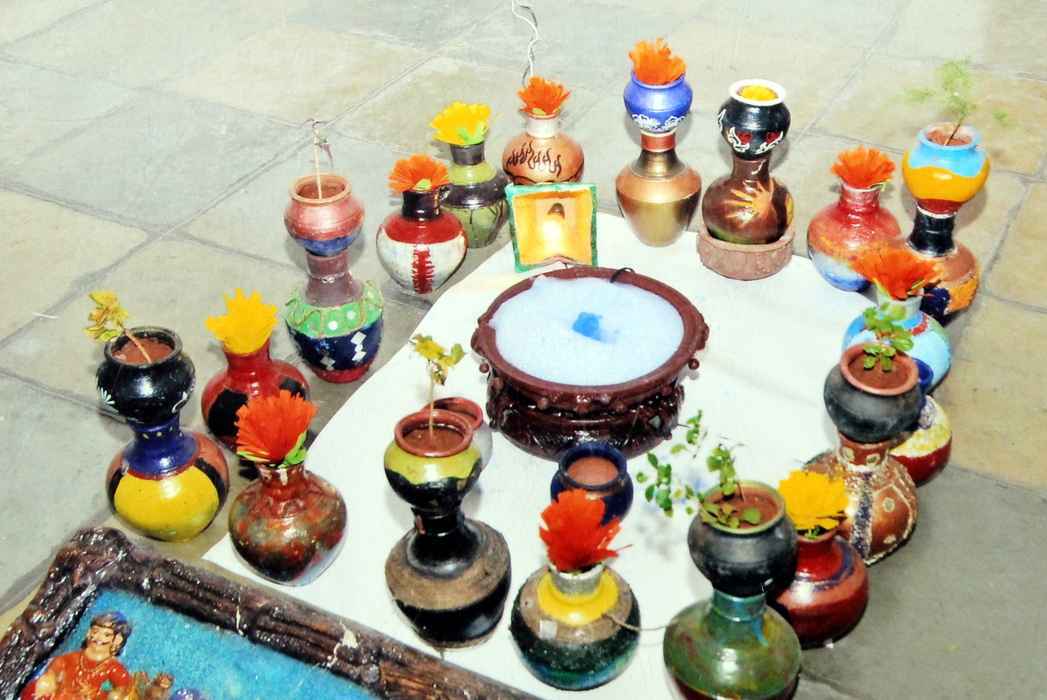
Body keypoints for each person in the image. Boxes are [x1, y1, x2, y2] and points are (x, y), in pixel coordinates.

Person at [20, 612, 134, 700]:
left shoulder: (113, 668)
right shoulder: (73, 658)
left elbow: (122, 692)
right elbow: (55, 668)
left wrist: (98, 694)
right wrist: (50, 678)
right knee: (40, 685)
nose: (98, 638)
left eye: (106, 635)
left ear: (117, 640)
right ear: (89, 633)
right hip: (61, 695)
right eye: (95, 631)